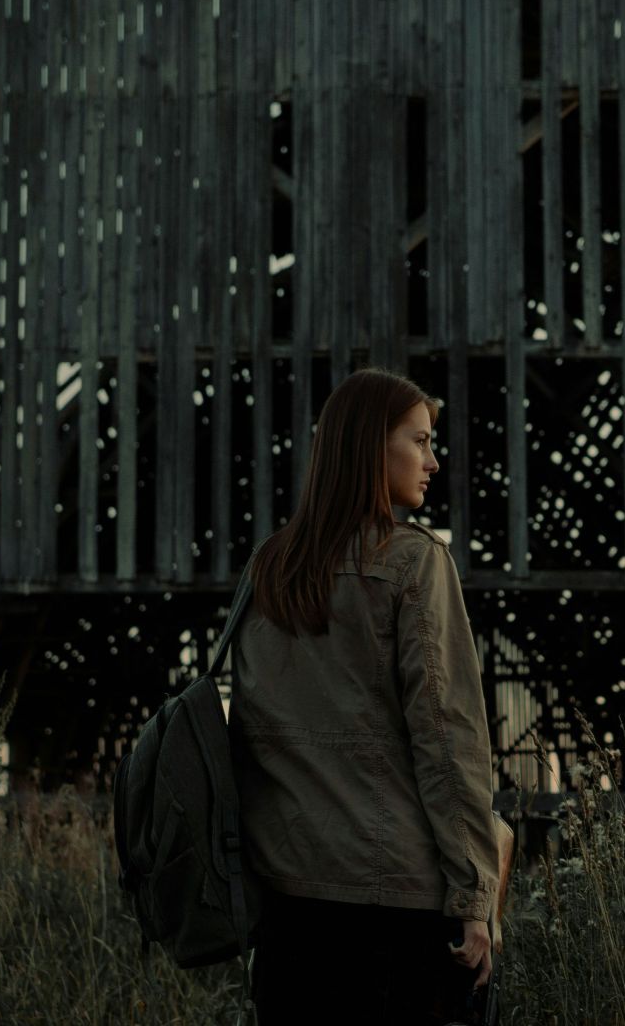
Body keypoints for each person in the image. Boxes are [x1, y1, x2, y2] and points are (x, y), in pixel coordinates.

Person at [231, 367, 502, 1024]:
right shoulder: (414, 563)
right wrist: (474, 899)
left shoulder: (268, 568)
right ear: (369, 448)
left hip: (291, 915)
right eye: (419, 440)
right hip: (398, 916)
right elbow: (447, 736)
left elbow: (248, 732)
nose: (433, 461)